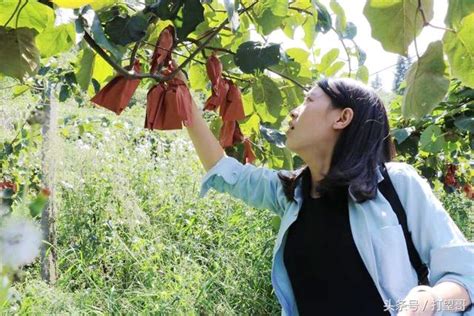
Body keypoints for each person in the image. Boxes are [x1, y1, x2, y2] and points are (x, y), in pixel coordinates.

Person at [177, 64, 473, 316]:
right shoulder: (293, 194)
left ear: (342, 118)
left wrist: (427, 302)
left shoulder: (395, 184)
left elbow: (465, 278)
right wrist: (183, 98)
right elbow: (228, 173)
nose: (294, 112)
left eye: (308, 100)